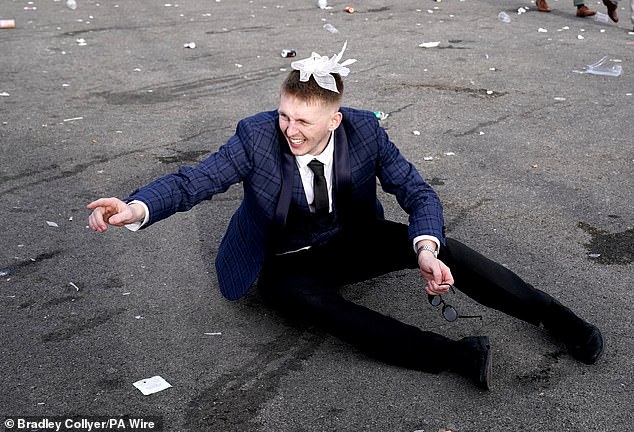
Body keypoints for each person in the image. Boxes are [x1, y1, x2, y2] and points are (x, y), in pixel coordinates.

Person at [87, 42, 604, 390]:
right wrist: (134, 207)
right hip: (285, 258)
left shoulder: (365, 132)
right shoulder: (254, 136)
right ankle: (455, 356)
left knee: (448, 250)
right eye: (284, 115)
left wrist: (425, 248)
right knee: (317, 306)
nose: (289, 130)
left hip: (351, 238)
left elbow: (418, 193)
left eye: (303, 121)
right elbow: (195, 180)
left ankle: (555, 317)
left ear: (334, 119)